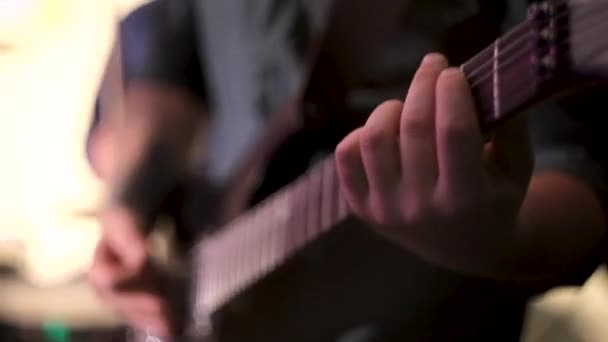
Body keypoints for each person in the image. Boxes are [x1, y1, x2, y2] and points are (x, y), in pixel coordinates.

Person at [87, 0, 607, 341]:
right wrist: (128, 203)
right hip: (208, 278)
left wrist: (504, 239)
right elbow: (169, 58)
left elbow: (582, 165)